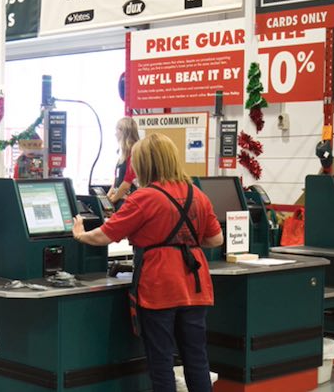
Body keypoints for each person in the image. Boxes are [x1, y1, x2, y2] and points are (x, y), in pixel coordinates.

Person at [73, 133, 223, 392]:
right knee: (197, 359)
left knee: (161, 361)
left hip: (159, 286)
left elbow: (105, 235)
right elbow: (215, 239)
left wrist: (79, 234)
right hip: (195, 286)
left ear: (143, 165)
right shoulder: (197, 194)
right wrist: (185, 240)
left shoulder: (144, 197)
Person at [108, 117, 140, 209]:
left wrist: (113, 199)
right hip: (119, 200)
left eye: (117, 130)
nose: (115, 134)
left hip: (128, 203)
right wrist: (107, 200)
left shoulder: (134, 153)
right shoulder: (122, 155)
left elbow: (126, 184)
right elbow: (116, 182)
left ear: (123, 131)